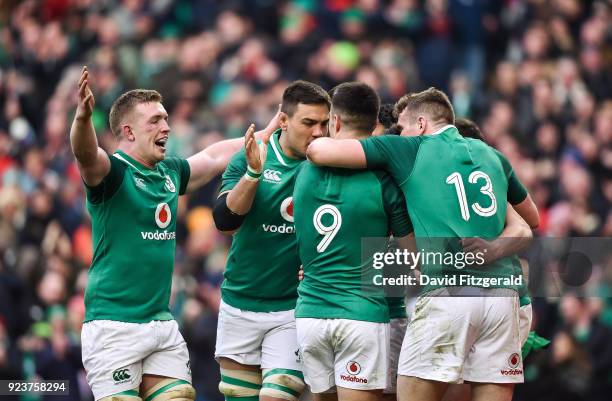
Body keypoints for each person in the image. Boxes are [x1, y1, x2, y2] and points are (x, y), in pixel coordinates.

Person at [306, 87, 539, 401]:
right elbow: (531, 218)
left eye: (401, 128)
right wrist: (495, 247)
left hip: (448, 291)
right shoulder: (492, 155)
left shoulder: (410, 149)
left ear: (421, 125)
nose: (398, 134)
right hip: (503, 296)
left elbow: (319, 153)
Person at [70, 66, 277, 401]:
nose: (165, 126)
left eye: (165, 118)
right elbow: (85, 154)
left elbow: (211, 157)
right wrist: (82, 119)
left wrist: (262, 137)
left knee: (179, 395)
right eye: (154, 121)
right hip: (114, 327)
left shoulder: (169, 172)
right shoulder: (112, 175)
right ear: (129, 132)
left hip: (161, 324)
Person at [292, 82, 413, 401]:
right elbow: (411, 254)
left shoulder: (303, 173)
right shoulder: (384, 180)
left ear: (334, 121)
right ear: (375, 124)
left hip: (310, 314)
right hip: (361, 315)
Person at [211, 80, 330, 401]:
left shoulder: (330, 163)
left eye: (324, 123)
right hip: (240, 301)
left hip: (292, 307)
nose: (318, 132)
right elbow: (224, 220)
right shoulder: (253, 154)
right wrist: (253, 174)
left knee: (277, 396)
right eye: (308, 123)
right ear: (283, 121)